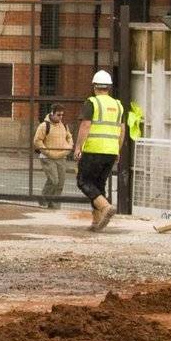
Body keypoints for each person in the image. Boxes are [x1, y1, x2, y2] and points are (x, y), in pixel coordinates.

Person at [72, 70, 125, 232]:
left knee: (84, 181)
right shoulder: (118, 105)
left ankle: (105, 207)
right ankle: (96, 222)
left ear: (94, 86)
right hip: (110, 151)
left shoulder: (92, 102)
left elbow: (86, 125)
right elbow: (122, 130)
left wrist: (78, 146)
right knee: (98, 185)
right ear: (109, 87)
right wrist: (117, 150)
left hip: (94, 149)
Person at [31, 104, 73, 208]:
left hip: (61, 157)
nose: (60, 117)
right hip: (48, 158)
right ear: (52, 113)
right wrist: (47, 151)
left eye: (62, 115)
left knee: (60, 183)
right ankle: (43, 199)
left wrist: (69, 147)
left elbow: (69, 137)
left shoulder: (64, 125)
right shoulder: (44, 126)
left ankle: (54, 204)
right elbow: (37, 140)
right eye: (58, 115)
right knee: (54, 180)